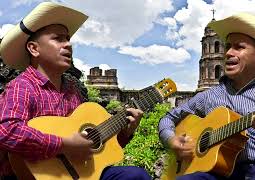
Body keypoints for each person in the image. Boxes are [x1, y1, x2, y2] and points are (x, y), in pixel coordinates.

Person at [0, 2, 150, 180]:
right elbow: (7, 131)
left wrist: (126, 132)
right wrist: (63, 144)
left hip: (79, 174)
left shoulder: (73, 90)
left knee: (135, 175)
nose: (68, 45)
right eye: (58, 38)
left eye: (68, 39)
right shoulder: (22, 86)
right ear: (34, 48)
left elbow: (93, 147)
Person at [159, 12, 255, 180]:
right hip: (216, 171)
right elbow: (169, 118)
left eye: (239, 47)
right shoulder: (210, 95)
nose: (228, 52)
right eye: (227, 46)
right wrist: (171, 140)